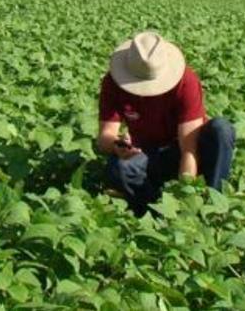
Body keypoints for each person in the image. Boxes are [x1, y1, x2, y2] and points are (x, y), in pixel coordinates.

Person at [97, 31, 236, 215]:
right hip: (147, 152)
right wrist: (118, 146)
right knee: (121, 168)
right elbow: (104, 137)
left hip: (185, 149)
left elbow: (189, 150)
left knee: (222, 129)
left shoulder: (185, 82)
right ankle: (153, 210)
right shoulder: (113, 83)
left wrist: (186, 196)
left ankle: (213, 206)